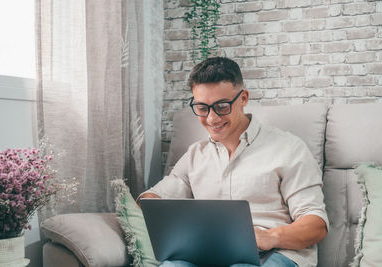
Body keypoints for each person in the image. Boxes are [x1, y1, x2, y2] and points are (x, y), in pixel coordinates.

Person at [138, 57, 328, 267]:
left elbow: (316, 224)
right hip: (208, 255)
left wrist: (270, 237)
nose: (212, 119)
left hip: (274, 254)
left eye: (221, 106)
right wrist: (151, 203)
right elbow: (152, 200)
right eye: (202, 108)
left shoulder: (289, 148)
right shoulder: (195, 154)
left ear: (244, 98)